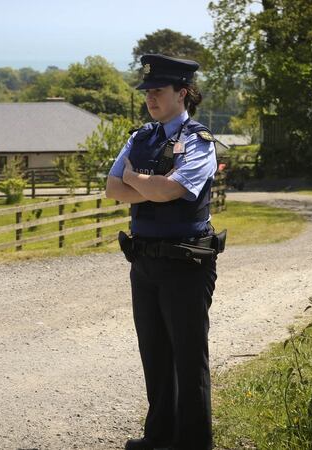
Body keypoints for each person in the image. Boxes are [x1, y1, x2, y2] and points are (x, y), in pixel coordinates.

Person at [106, 54, 225, 450]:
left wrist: (138, 180)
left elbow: (171, 190)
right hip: (144, 262)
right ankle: (158, 437)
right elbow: (112, 188)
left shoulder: (198, 141)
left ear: (184, 92)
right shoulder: (141, 137)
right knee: (154, 356)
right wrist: (151, 184)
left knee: (188, 361)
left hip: (186, 262)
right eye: (147, 91)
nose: (150, 98)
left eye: (158, 90)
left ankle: (192, 443)